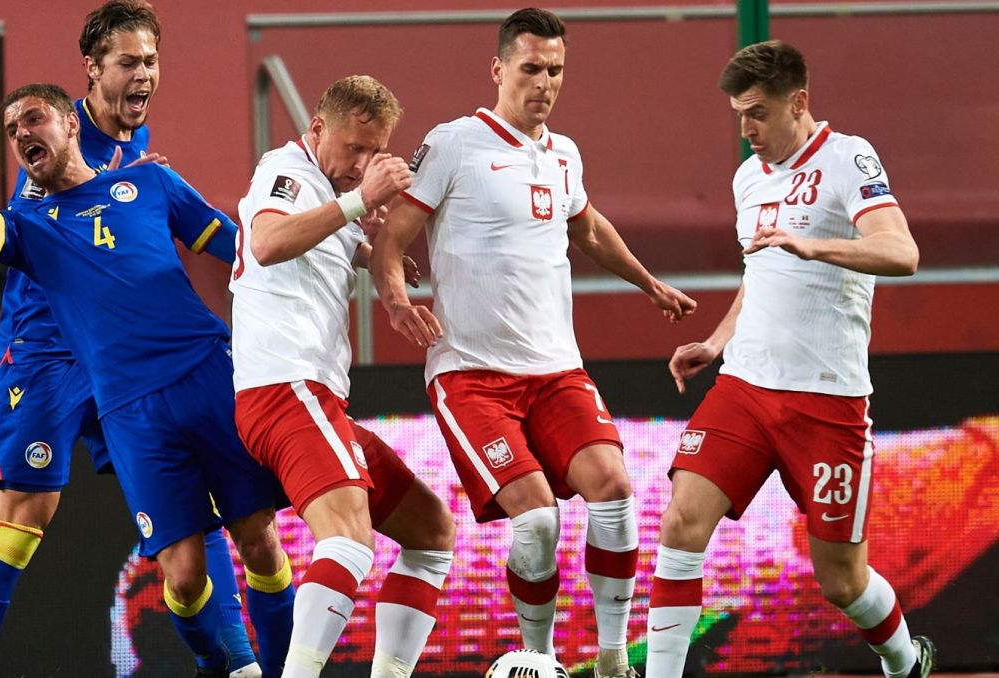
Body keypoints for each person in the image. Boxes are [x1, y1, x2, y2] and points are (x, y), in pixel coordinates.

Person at [0, 26, 290, 678]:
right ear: (90, 76)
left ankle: (240, 664)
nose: (142, 76)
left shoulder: (142, 166)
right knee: (24, 517)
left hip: (144, 362)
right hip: (46, 351)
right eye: (128, 63)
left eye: (151, 61)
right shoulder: (41, 179)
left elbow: (230, 245)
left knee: (214, 518)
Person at [370, 9, 695, 678]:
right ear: (497, 69)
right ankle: (538, 659)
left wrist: (649, 283)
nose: (544, 83)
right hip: (471, 376)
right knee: (538, 522)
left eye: (555, 71)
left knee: (614, 491)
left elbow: (591, 230)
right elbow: (392, 237)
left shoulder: (564, 153)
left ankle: (610, 660)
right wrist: (397, 302)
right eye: (531, 69)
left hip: (557, 373)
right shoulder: (455, 143)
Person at [644, 40, 932, 678]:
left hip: (825, 399)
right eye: (738, 115)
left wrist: (814, 245)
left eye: (758, 113)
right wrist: (715, 343)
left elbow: (901, 252)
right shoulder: (748, 177)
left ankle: (906, 661)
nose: (747, 131)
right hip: (744, 387)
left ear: (798, 102)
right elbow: (760, 275)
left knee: (842, 582)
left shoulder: (848, 158)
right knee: (681, 524)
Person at [231, 76, 456, 678]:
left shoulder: (327, 191)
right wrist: (358, 204)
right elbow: (269, 241)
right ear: (317, 130)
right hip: (285, 389)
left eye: (373, 150)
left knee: (431, 530)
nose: (361, 164)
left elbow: (342, 240)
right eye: (353, 149)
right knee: (349, 540)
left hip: (315, 397)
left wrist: (382, 270)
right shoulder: (288, 172)